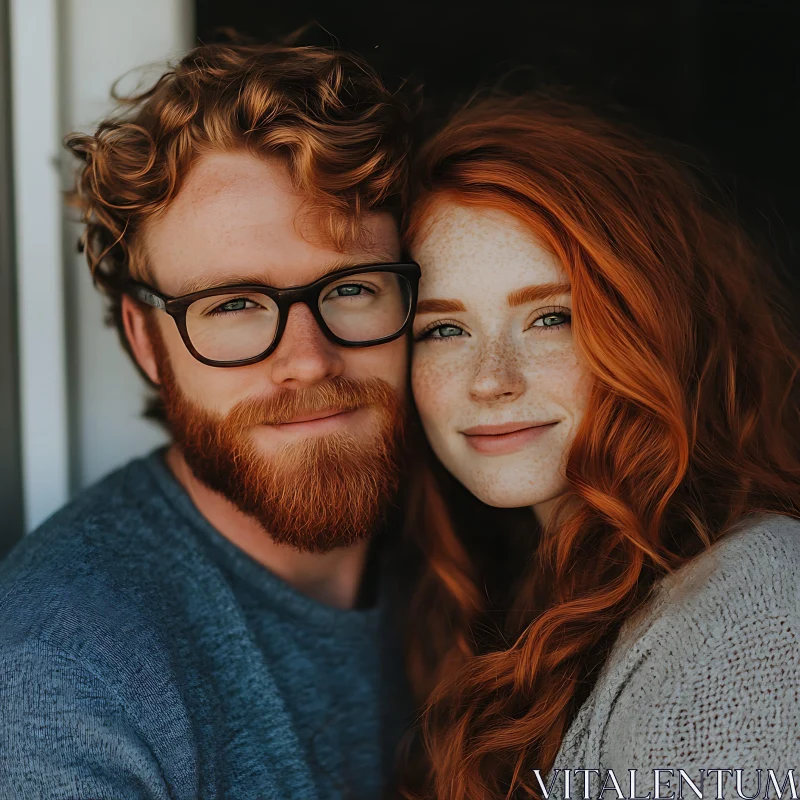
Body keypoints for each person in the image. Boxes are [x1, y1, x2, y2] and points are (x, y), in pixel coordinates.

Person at [0, 42, 419, 799]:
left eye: (352, 287)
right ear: (145, 340)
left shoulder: (477, 545)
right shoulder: (65, 677)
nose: (308, 360)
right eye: (232, 305)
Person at [399, 95, 800, 800]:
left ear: (650, 327)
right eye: (443, 330)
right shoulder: (521, 595)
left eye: (551, 317)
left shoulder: (753, 620)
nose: (492, 379)